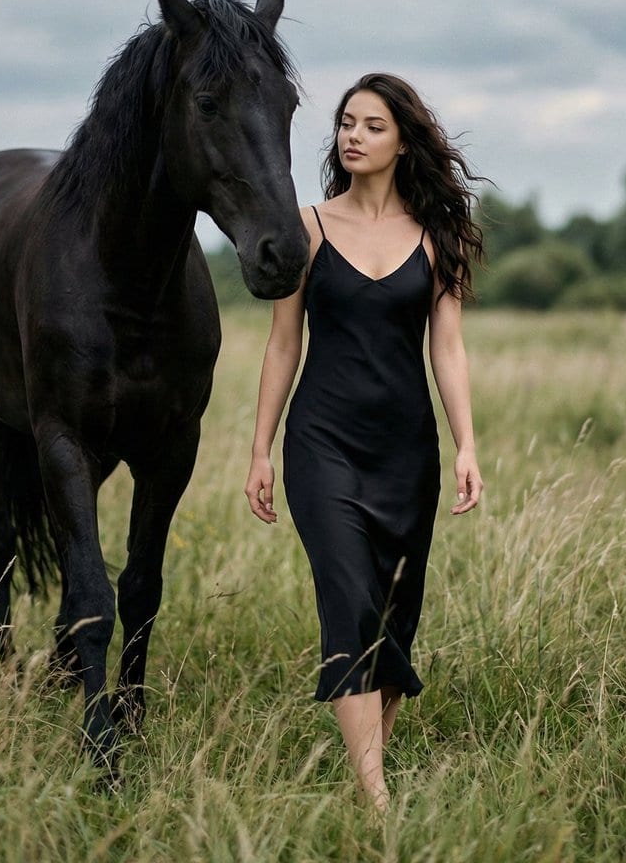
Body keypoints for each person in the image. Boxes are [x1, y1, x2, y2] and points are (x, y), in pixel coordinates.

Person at [245, 73, 485, 812]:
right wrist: (259, 449)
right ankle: (375, 797)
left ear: (403, 141)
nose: (353, 135)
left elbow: (448, 348)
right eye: (347, 122)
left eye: (373, 126)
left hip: (407, 453)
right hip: (322, 445)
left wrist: (466, 445)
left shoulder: (436, 236)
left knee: (393, 616)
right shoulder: (307, 227)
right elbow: (283, 344)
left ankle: (368, 758)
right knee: (348, 600)